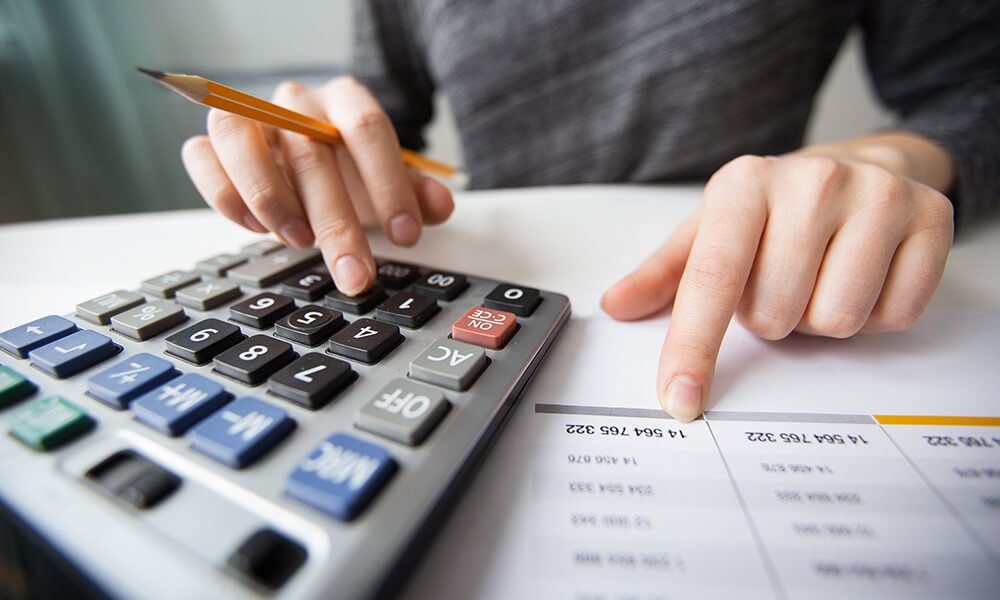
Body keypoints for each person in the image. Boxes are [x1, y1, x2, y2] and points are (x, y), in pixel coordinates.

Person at [179, 1, 999, 422]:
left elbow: (974, 82)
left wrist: (892, 161)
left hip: (756, 271)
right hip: (485, 270)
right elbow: (385, 114)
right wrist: (327, 149)